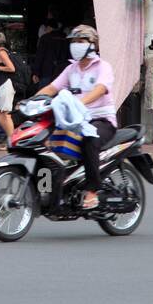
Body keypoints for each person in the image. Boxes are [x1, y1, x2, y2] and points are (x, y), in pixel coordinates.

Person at [36, 25, 117, 212]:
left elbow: (100, 89)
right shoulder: (71, 68)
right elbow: (51, 88)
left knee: (90, 140)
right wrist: (32, 101)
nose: (75, 45)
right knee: (46, 145)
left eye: (80, 41)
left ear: (92, 44)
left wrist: (81, 102)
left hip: (101, 120)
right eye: (73, 41)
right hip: (75, 120)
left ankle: (92, 190)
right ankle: (48, 192)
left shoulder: (103, 67)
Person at [32, 19, 71, 87]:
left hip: (46, 72)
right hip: (62, 72)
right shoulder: (66, 39)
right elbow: (69, 56)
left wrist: (36, 73)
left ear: (49, 27)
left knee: (44, 94)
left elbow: (39, 56)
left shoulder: (44, 38)